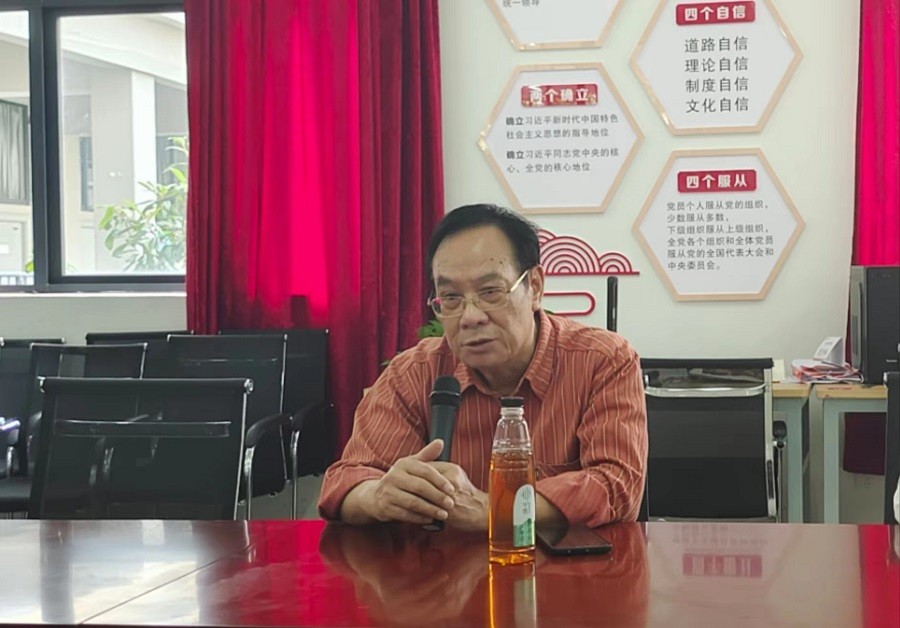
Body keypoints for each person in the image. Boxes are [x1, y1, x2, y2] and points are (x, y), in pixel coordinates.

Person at [318, 203, 647, 530]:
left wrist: (494, 510)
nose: (471, 316)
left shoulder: (602, 361)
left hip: (559, 563)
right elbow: (346, 481)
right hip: (441, 564)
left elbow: (616, 485)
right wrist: (378, 495)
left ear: (535, 287)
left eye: (490, 292)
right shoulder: (414, 373)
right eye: (451, 297)